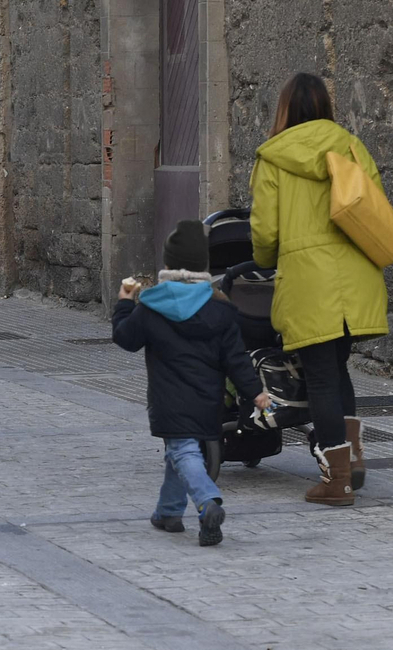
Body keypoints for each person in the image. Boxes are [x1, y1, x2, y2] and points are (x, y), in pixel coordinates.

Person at [249, 72, 389, 506]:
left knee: (321, 378)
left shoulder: (273, 157)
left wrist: (265, 259)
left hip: (310, 283)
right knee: (338, 369)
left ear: (285, 109)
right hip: (356, 278)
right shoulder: (351, 146)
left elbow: (265, 233)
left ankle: (337, 480)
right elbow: (374, 207)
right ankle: (353, 457)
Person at [112, 220, 273, 546]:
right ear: (203, 267)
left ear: (168, 265)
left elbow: (125, 338)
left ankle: (207, 502)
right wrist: (255, 391)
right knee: (179, 452)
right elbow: (236, 359)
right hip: (208, 401)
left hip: (169, 402)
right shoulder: (222, 310)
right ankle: (168, 511)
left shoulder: (151, 307)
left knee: (183, 450)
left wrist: (125, 302)